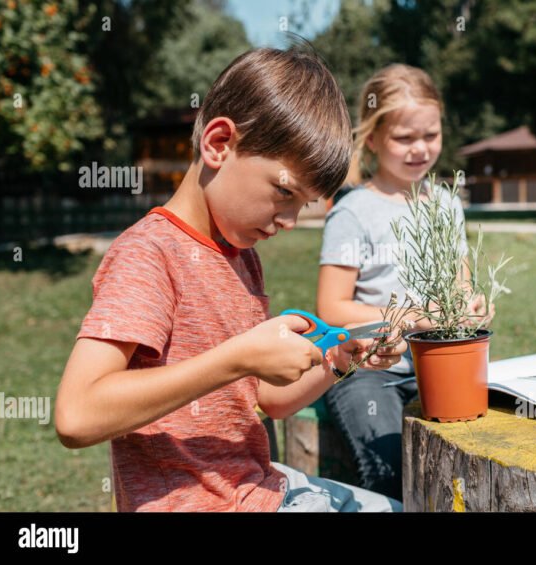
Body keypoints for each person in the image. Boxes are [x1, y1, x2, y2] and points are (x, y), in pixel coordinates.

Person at [55, 46, 406, 512]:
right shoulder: (150, 253)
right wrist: (236, 358)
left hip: (261, 491)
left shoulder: (242, 257)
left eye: (303, 204)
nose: (289, 221)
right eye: (284, 191)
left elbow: (267, 399)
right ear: (219, 143)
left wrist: (338, 360)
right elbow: (76, 415)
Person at [317, 64, 493, 500]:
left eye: (431, 135)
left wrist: (471, 307)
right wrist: (412, 317)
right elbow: (331, 308)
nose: (420, 148)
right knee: (391, 472)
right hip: (369, 369)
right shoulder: (353, 211)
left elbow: (459, 286)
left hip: (441, 358)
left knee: (471, 461)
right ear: (373, 139)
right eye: (404, 138)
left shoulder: (446, 204)